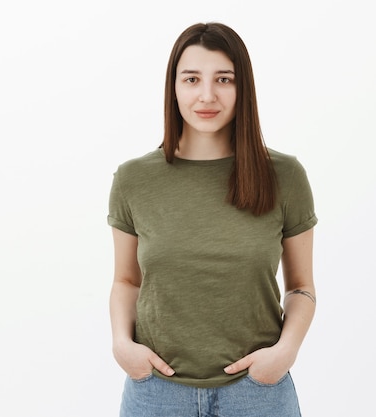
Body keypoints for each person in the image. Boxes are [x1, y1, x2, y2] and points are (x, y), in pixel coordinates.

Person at [107, 22, 317, 417]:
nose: (207, 95)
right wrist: (122, 343)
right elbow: (126, 280)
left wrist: (284, 353)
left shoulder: (285, 176)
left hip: (258, 394)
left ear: (244, 88)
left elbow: (302, 287)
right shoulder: (134, 179)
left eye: (224, 78)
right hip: (155, 393)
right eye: (191, 79)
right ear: (174, 87)